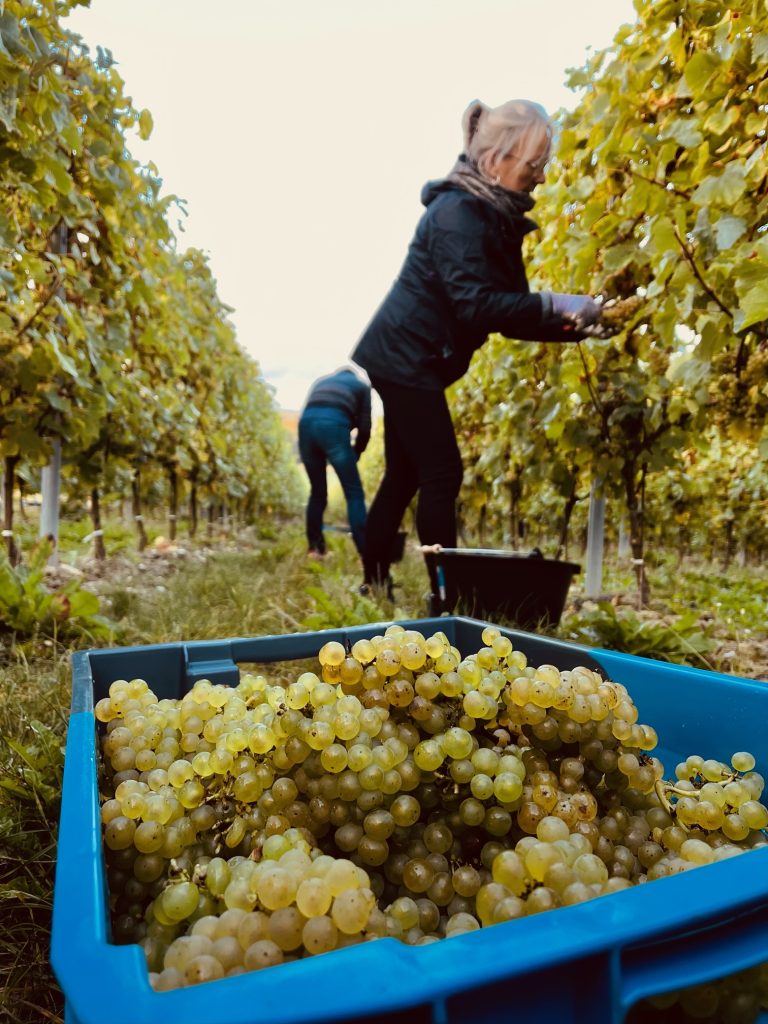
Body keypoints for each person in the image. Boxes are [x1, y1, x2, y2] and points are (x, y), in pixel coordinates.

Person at [351, 98, 599, 594]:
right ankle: (447, 600)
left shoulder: (491, 214)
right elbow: (478, 305)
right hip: (405, 356)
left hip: (410, 357)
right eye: (534, 166)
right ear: (497, 160)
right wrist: (561, 304)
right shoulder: (457, 213)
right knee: (442, 470)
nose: (541, 178)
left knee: (403, 475)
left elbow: (510, 311)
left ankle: (375, 584)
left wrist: (580, 324)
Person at [297, 365, 371, 560]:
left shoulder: (321, 381)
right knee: (354, 492)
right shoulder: (362, 386)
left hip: (305, 427)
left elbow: (311, 410)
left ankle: (315, 548)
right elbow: (364, 427)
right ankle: (366, 551)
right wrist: (357, 453)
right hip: (333, 426)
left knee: (318, 492)